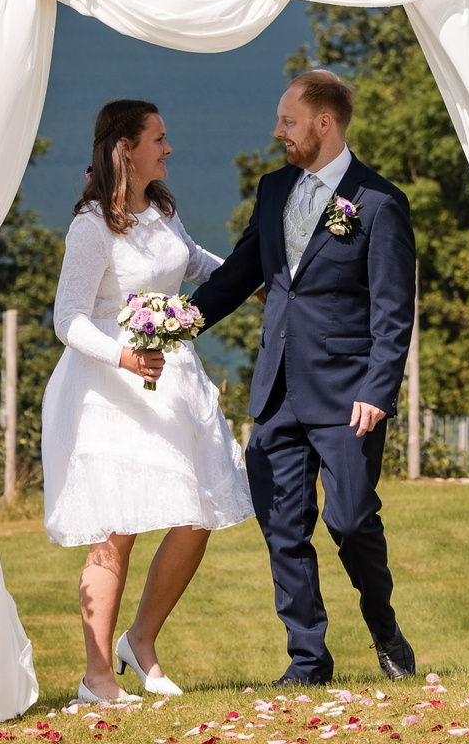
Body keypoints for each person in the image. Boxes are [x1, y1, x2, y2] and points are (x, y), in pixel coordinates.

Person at [192, 69, 418, 686]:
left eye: (288, 122)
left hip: (349, 395)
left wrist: (378, 390)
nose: (278, 132)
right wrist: (176, 325)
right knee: (282, 526)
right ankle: (308, 660)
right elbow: (240, 274)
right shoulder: (273, 190)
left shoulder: (380, 203)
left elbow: (393, 310)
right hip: (276, 391)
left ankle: (384, 628)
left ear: (324, 123)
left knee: (350, 520)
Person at [41, 99, 254, 703]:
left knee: (198, 515)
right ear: (125, 149)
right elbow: (68, 319)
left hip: (173, 381)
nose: (168, 148)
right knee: (117, 529)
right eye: (158, 139)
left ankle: (141, 640)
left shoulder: (162, 210)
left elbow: (194, 264)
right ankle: (97, 677)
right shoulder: (91, 227)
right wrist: (125, 357)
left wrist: (254, 281)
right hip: (110, 390)